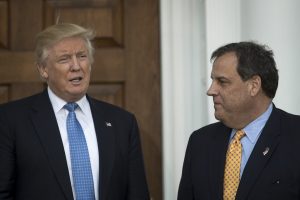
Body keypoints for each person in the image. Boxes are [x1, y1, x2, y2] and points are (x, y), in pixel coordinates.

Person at [0, 23, 150, 200]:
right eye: (64, 59)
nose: (76, 66)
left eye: (82, 56)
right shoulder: (11, 120)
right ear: (43, 69)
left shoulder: (122, 123)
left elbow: (137, 194)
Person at [178, 41, 300, 200]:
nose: (210, 90)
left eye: (222, 82)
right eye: (213, 81)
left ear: (254, 86)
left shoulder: (295, 136)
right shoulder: (200, 142)